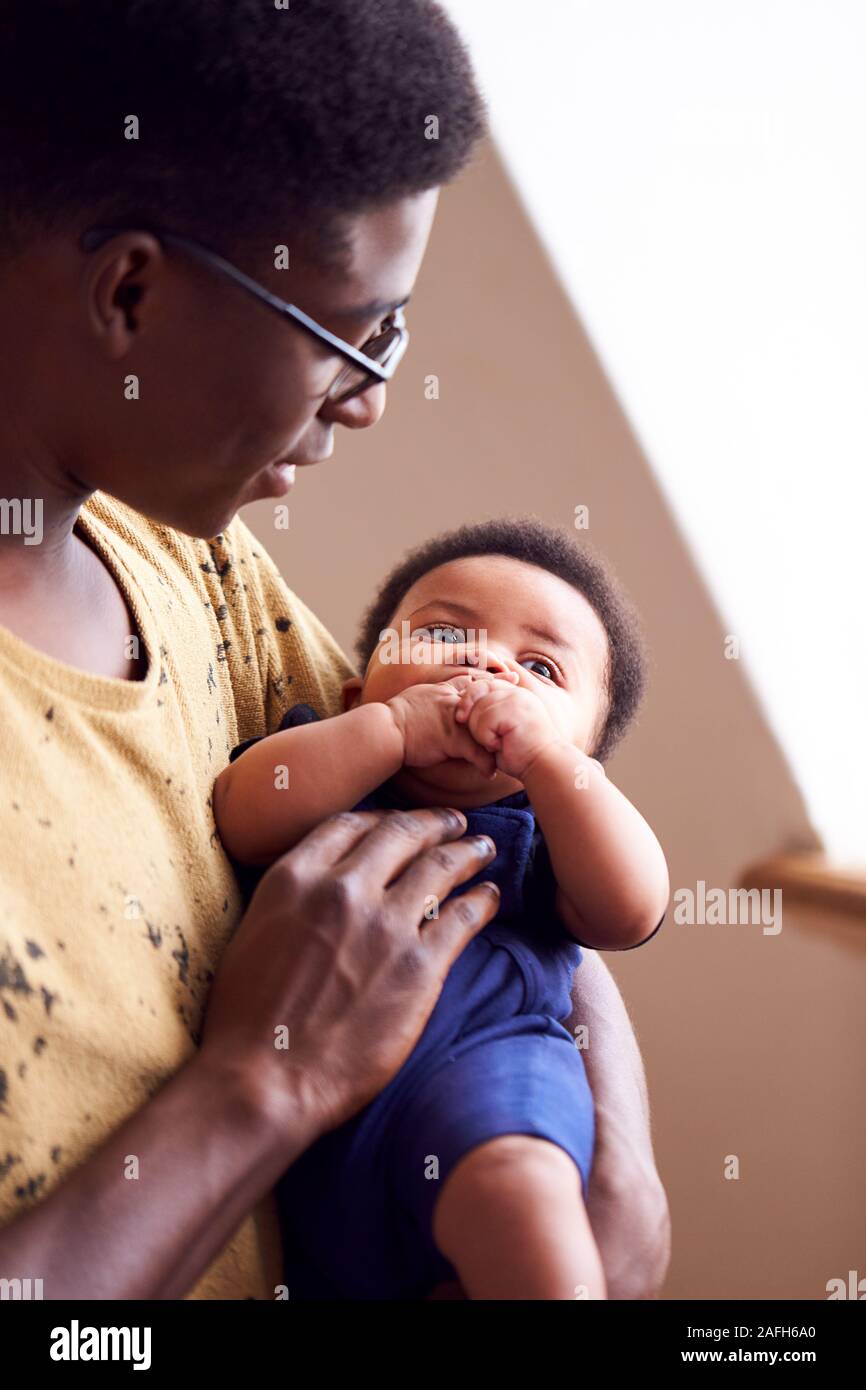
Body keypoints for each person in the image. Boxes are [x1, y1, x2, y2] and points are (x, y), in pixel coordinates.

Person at [0, 0, 670, 1299]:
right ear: (128, 290)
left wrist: (618, 1163)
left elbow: (501, 834)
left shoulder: (189, 569)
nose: (367, 398)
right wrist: (268, 1077)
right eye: (351, 330)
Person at [215, 517, 670, 1299]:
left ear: (584, 758)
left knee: (521, 1197)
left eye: (540, 667)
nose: (486, 662)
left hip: (486, 1071)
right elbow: (241, 815)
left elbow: (632, 910)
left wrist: (548, 766)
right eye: (442, 633)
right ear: (356, 691)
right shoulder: (328, 757)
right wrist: (388, 731)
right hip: (307, 1125)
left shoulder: (543, 830)